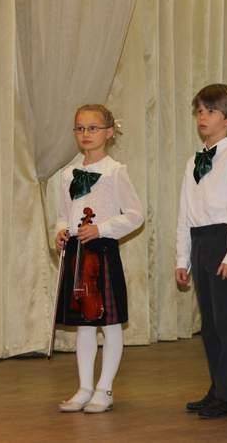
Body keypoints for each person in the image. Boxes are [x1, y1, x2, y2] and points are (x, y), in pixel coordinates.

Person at [56, 104, 144, 413]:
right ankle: (84, 388)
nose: (85, 133)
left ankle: (104, 388)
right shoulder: (67, 174)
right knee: (84, 324)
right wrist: (60, 231)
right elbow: (63, 213)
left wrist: (102, 228)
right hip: (77, 253)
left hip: (102, 252)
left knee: (110, 323)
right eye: (80, 128)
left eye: (92, 128)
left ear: (109, 132)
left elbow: (135, 215)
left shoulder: (115, 171)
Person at [175, 84, 227, 419]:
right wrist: (183, 258)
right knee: (209, 324)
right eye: (200, 111)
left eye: (211, 111)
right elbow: (185, 212)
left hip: (224, 241)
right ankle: (217, 387)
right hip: (200, 241)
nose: (203, 117)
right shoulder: (194, 160)